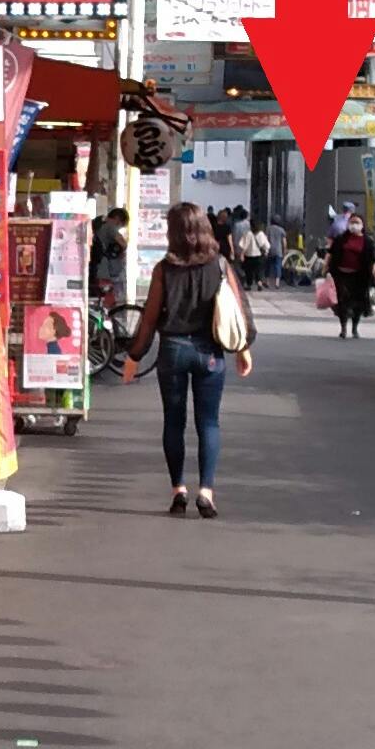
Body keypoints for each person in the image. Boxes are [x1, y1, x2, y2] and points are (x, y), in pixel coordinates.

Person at [120, 199, 254, 515]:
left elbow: (150, 318)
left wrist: (134, 356)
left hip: (173, 350)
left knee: (174, 421)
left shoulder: (164, 269)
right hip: (210, 352)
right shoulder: (220, 264)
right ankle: (206, 491)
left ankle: (178, 490)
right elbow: (237, 310)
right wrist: (243, 349)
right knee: (208, 423)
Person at [325, 208, 375, 338]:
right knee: (342, 301)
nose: (354, 225)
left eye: (357, 222)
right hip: (341, 275)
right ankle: (343, 328)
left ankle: (354, 328)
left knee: (358, 304)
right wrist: (325, 266)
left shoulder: (367, 242)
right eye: (352, 222)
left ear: (362, 225)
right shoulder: (341, 239)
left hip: (359, 277)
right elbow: (331, 253)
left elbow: (373, 258)